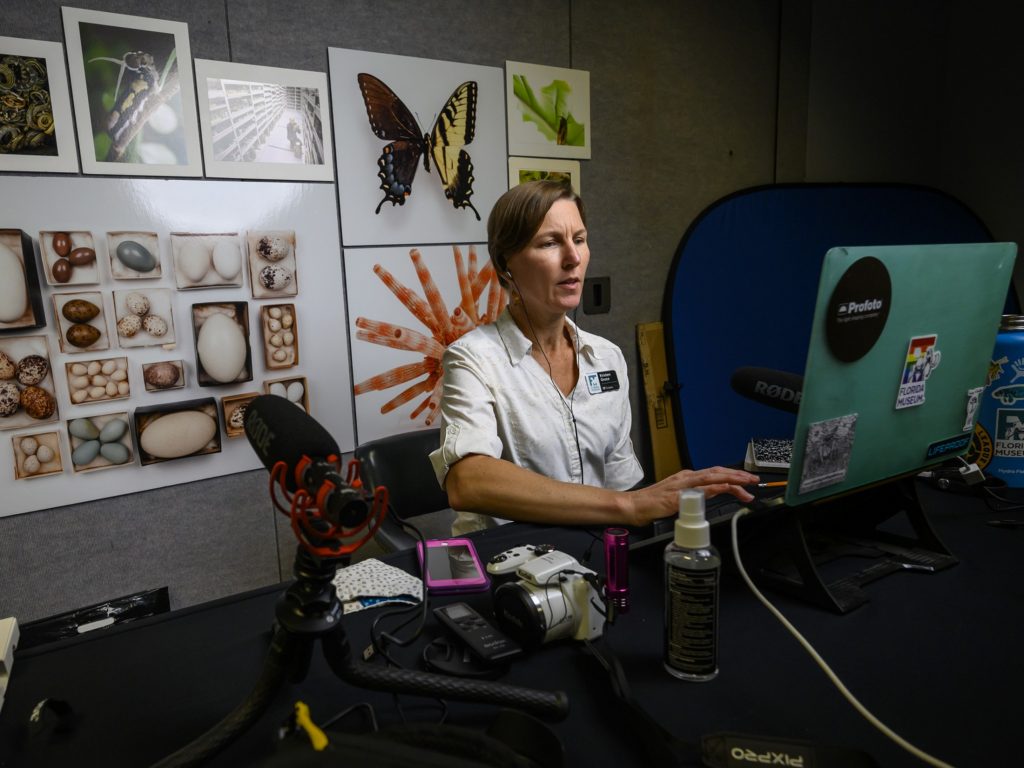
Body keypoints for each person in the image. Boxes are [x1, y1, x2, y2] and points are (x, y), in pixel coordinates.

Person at [429, 180, 757, 534]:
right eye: (550, 242)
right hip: (511, 564)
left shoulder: (606, 358)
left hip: (593, 554)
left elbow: (621, 481)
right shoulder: (472, 359)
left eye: (580, 240)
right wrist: (630, 506)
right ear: (506, 264)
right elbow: (468, 481)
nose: (573, 258)